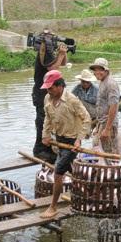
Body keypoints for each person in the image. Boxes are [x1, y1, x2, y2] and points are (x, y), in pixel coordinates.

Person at [40, 70, 91, 218]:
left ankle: (53, 206)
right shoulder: (47, 99)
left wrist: (79, 139)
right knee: (72, 170)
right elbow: (47, 119)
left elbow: (86, 118)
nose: (49, 91)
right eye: (47, 89)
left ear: (60, 86)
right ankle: (88, 194)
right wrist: (46, 135)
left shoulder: (72, 100)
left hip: (72, 141)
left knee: (58, 172)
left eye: (51, 88)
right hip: (59, 141)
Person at [32, 29, 68, 162]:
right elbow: (53, 69)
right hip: (42, 93)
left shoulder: (48, 52)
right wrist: (60, 55)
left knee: (50, 120)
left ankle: (48, 147)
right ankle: (40, 149)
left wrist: (63, 53)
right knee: (42, 120)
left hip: (48, 92)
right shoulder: (44, 51)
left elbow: (62, 63)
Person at [89, 58, 121, 154]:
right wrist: (98, 128)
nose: (97, 72)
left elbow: (113, 106)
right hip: (102, 123)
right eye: (95, 70)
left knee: (109, 153)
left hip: (108, 125)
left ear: (106, 71)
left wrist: (107, 129)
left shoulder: (111, 84)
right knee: (97, 147)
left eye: (100, 69)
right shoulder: (102, 82)